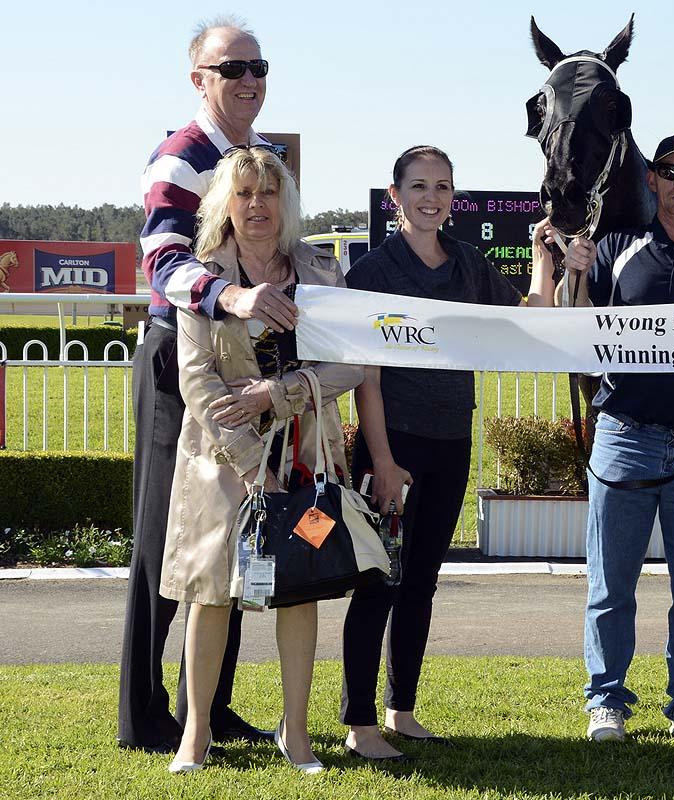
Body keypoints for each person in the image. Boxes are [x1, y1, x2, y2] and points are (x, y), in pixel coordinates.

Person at [339, 146, 556, 761]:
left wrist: (544, 262)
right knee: (378, 581)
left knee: (422, 583)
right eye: (418, 186)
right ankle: (358, 724)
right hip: (393, 448)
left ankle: (400, 709)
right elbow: (367, 377)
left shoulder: (467, 263)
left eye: (441, 186)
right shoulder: (374, 271)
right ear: (395, 195)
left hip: (451, 444)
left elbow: (530, 316)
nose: (430, 197)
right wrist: (381, 460)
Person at [119, 16, 296, 753]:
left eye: (259, 66)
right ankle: (145, 717)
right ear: (201, 80)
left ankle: (210, 710)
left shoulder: (256, 158)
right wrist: (233, 296)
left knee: (235, 536)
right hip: (180, 356)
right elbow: (162, 259)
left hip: (243, 362)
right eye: (233, 69)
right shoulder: (181, 155)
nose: (249, 79)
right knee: (170, 540)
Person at [159, 146, 363, 774]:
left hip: (308, 459)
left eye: (269, 194)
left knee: (300, 590)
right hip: (220, 462)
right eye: (244, 194)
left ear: (287, 202)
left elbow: (355, 365)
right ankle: (195, 735)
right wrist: (255, 468)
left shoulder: (323, 275)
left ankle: (296, 735)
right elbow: (196, 379)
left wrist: (281, 393)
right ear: (225, 202)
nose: (257, 206)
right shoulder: (201, 278)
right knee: (210, 594)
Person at [558, 132, 674, 743]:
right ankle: (605, 701)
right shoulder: (616, 248)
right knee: (611, 586)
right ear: (653, 181)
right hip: (624, 435)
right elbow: (574, 330)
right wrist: (574, 276)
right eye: (669, 172)